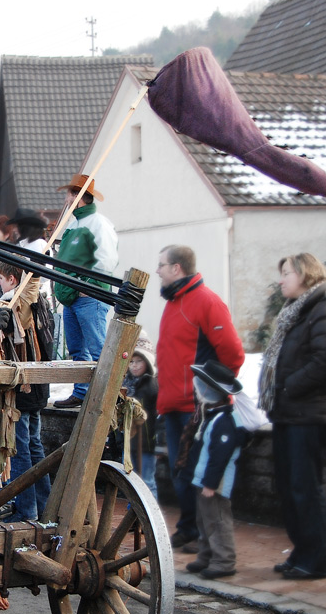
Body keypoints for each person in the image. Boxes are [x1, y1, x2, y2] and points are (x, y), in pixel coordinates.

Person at [259, 253, 326, 581]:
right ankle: (302, 552)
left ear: (305, 273)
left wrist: (289, 387)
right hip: (290, 411)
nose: (281, 279)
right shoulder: (298, 310)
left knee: (305, 487)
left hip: (310, 411)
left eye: (286, 272)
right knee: (290, 487)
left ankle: (317, 560)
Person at [155, 244, 245, 549]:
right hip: (173, 403)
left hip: (195, 406)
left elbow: (232, 353)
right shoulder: (174, 302)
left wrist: (211, 393)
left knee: (196, 473)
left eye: (162, 265)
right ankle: (191, 527)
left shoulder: (207, 302)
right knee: (181, 472)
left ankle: (206, 538)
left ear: (177, 268)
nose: (158, 270)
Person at [50, 176, 118, 408]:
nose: (66, 200)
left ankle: (104, 397)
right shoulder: (74, 225)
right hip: (72, 298)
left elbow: (107, 260)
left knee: (97, 348)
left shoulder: (98, 223)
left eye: (70, 194)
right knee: (78, 349)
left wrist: (86, 287)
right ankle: (81, 392)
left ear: (79, 197)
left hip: (88, 298)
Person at [0, 262, 51, 522]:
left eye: (1, 279)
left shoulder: (16, 304)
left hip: (23, 390)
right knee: (35, 447)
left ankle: (27, 511)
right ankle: (43, 505)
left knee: (22, 450)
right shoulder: (40, 303)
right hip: (39, 386)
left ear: (12, 280)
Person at [183, 362, 249, 579]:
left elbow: (219, 457)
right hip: (204, 480)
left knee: (218, 520)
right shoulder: (213, 415)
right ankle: (206, 556)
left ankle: (224, 560)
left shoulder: (225, 421)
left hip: (216, 483)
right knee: (205, 519)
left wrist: (210, 484)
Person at [121, 332, 159, 498]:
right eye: (132, 362)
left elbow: (160, 418)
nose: (134, 366)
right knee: (131, 481)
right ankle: (134, 517)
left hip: (147, 444)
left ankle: (150, 520)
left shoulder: (152, 386)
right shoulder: (126, 387)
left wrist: (160, 443)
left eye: (139, 361)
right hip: (129, 443)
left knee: (147, 482)